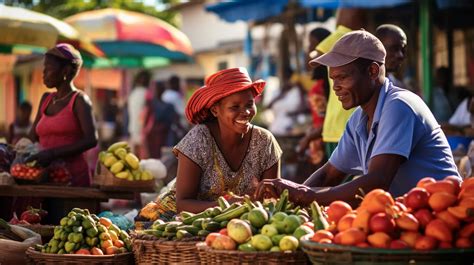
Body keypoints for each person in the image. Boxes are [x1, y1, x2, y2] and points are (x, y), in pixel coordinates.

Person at [254, 31, 460, 207]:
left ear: (372, 71)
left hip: (443, 214)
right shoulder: (358, 119)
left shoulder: (399, 105)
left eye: (342, 77)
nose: (335, 87)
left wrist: (307, 196)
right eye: (333, 79)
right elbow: (330, 175)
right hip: (407, 217)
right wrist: (290, 197)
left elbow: (377, 182)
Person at [174, 67, 282, 213]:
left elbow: (272, 199)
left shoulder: (265, 141)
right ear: (215, 110)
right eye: (235, 107)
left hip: (248, 225)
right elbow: (182, 204)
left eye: (249, 105)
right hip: (196, 225)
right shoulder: (198, 140)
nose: (245, 112)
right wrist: (228, 206)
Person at [27, 43, 98, 187]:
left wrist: (53, 154)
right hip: (44, 176)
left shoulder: (79, 100)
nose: (44, 73)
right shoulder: (46, 99)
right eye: (44, 68)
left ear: (65, 71)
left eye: (49, 68)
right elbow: (33, 135)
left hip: (72, 178)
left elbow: (91, 139)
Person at [296, 27, 331, 179]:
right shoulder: (320, 82)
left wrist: (307, 139)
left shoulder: (328, 82)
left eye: (313, 44)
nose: (309, 49)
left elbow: (326, 119)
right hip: (318, 142)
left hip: (324, 142)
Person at [143, 81, 177, 158]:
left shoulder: (151, 104)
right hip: (156, 136)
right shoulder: (166, 106)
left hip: (158, 135)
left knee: (156, 157)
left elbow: (145, 122)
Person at [375, 24, 409, 90]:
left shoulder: (399, 87)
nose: (400, 55)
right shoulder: (360, 87)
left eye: (403, 50)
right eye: (394, 49)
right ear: (377, 48)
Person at [128, 71, 150, 155]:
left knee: (135, 156)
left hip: (133, 128)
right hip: (143, 130)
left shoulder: (133, 93)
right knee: (143, 156)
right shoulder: (147, 94)